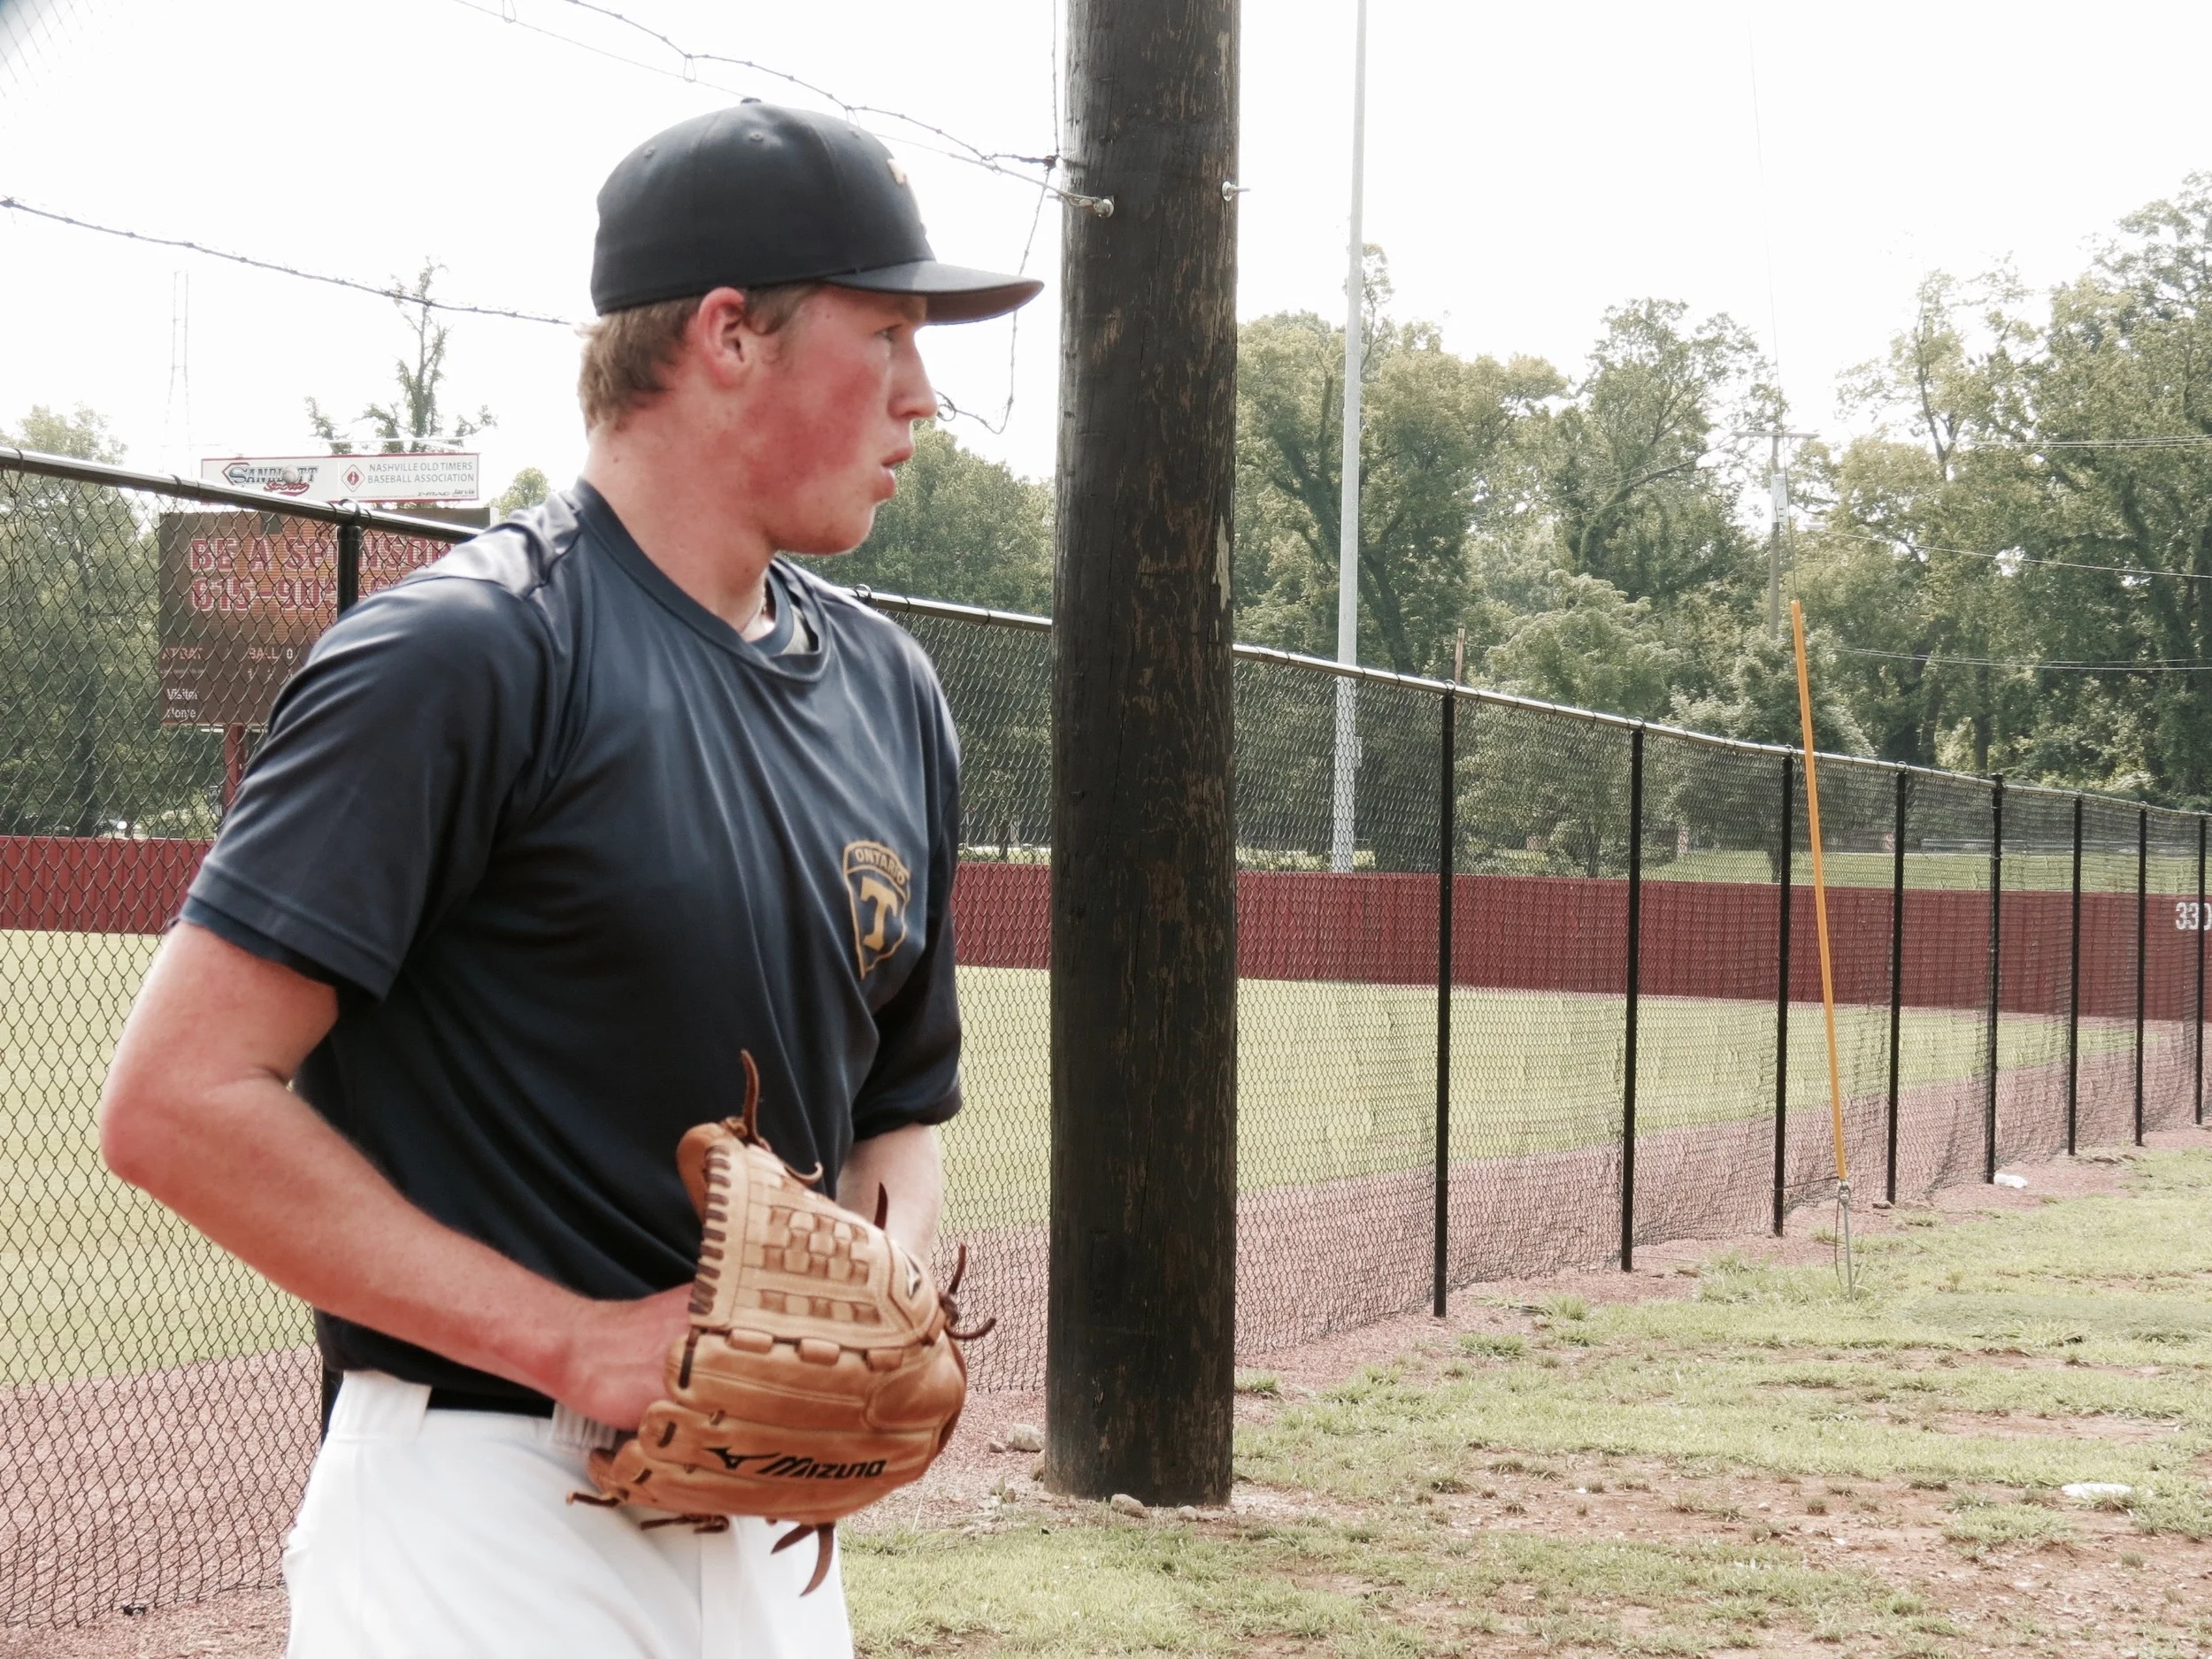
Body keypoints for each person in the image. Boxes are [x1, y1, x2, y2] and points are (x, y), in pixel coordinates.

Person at [97, 102, 1041, 1659]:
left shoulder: (892, 691)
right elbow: (177, 1099)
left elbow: (895, 1106)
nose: (923, 398)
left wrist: (860, 1318)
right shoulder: (469, 657)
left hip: (761, 1517)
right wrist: (581, 1342)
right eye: (886, 335)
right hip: (478, 1501)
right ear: (728, 334)